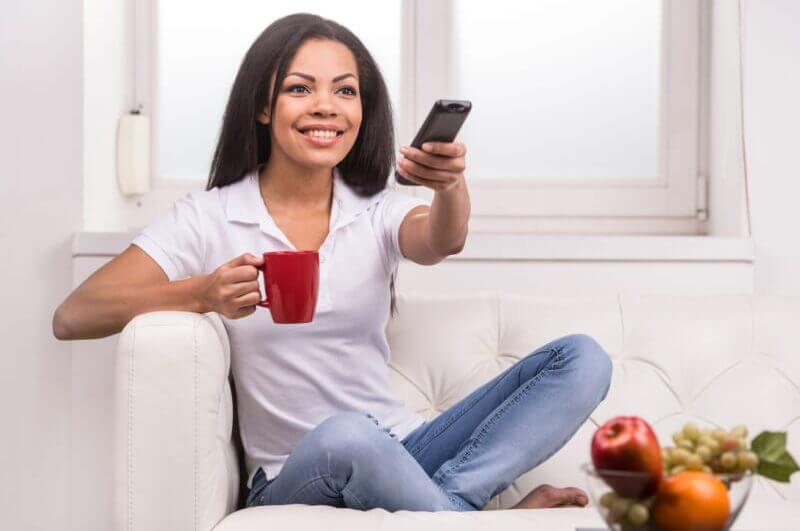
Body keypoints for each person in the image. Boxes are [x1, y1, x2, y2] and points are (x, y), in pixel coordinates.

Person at [53, 13, 611, 513]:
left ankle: (454, 504)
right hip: (297, 468)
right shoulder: (209, 218)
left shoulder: (375, 211)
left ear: (361, 111)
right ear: (264, 107)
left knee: (582, 359)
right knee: (346, 436)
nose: (326, 105)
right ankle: (478, 518)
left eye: (345, 90)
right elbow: (75, 314)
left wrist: (450, 186)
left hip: (404, 448)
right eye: (301, 88)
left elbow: (441, 240)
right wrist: (201, 294)